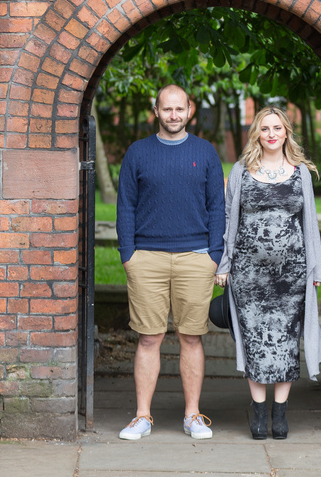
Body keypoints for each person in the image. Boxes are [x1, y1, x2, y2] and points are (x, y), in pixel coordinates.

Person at [116, 84, 225, 441]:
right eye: (167, 109)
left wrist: (213, 257)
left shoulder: (205, 152)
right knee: (149, 338)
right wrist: (129, 255)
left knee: (191, 337)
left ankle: (192, 416)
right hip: (146, 258)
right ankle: (142, 417)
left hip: (196, 258)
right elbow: (126, 207)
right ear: (156, 110)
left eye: (179, 109)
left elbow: (217, 209)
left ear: (190, 110)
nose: (173, 115)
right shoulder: (137, 153)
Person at [215, 106, 321, 440]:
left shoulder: (300, 172)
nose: (272, 134)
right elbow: (228, 219)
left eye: (277, 128)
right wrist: (225, 264)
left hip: (291, 277)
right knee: (254, 343)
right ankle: (259, 412)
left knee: (286, 343)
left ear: (286, 132)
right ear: (257, 134)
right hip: (249, 276)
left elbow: (310, 222)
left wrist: (315, 267)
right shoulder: (241, 170)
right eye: (265, 129)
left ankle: (280, 413)